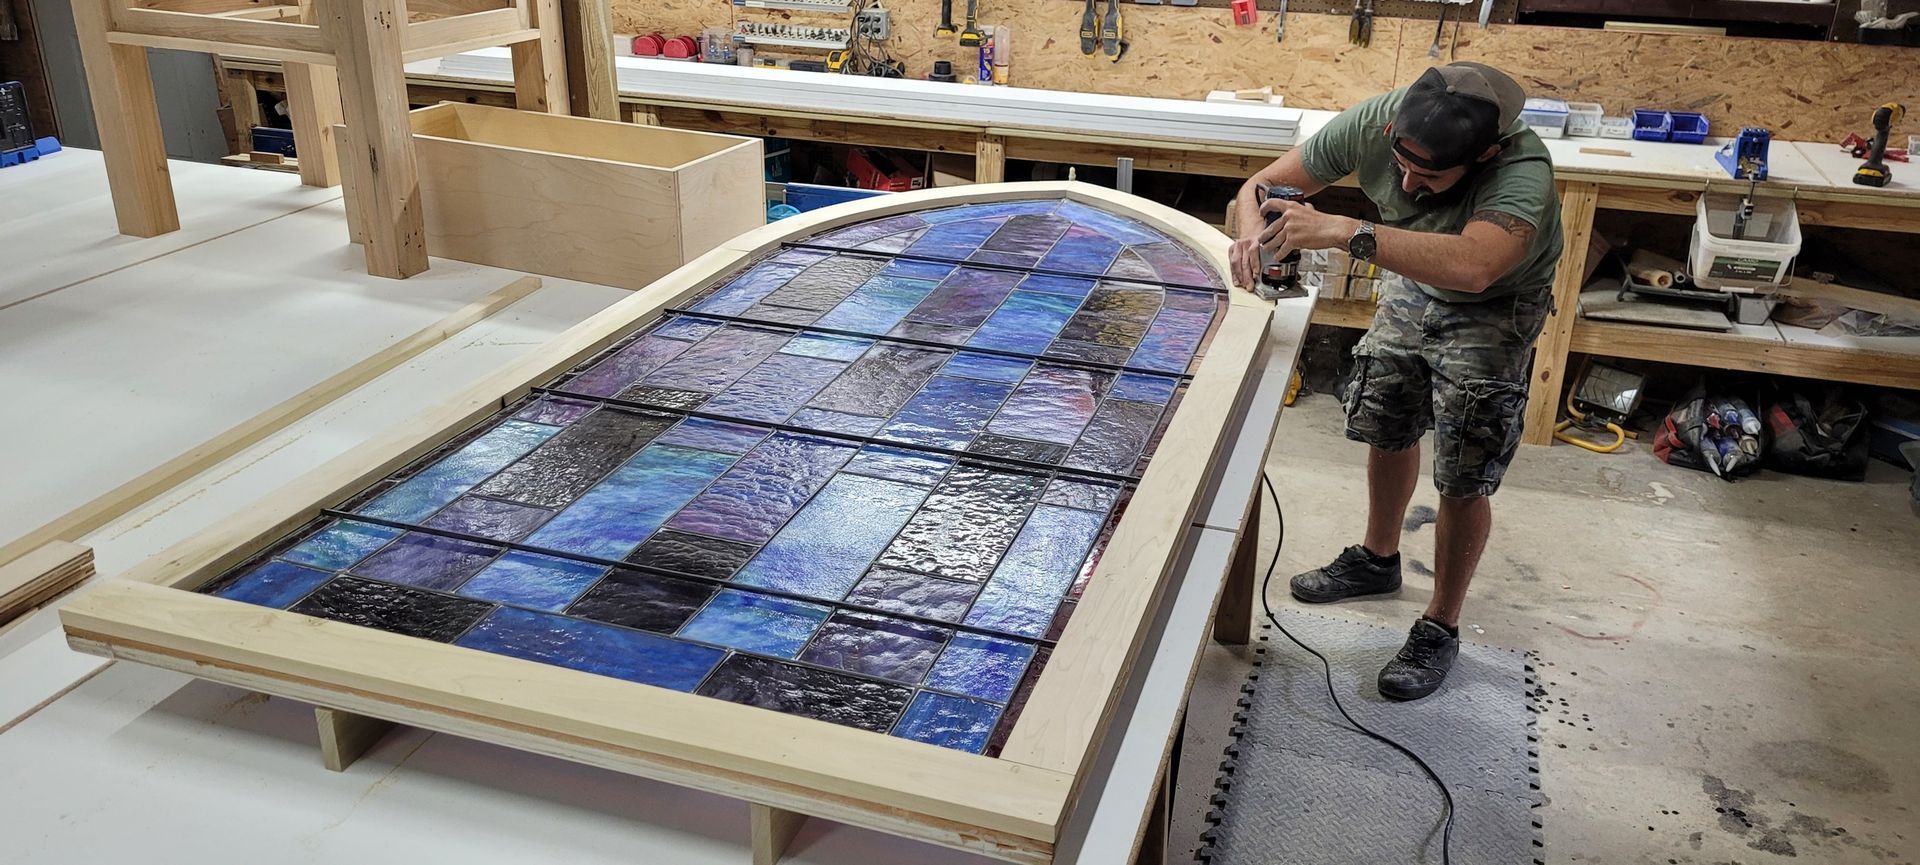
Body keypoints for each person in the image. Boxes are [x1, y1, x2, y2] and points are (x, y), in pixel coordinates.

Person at [1227, 62, 1563, 701]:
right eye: (1401, 166)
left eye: (1428, 177)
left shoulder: (1523, 171)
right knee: (1389, 417)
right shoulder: (1373, 121)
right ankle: (1379, 560)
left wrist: (1345, 230)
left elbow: (1473, 266)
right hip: (1412, 278)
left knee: (1465, 466)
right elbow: (1260, 184)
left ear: (1484, 155)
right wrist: (1252, 234)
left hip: (1493, 301)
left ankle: (1442, 621)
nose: (1407, 182)